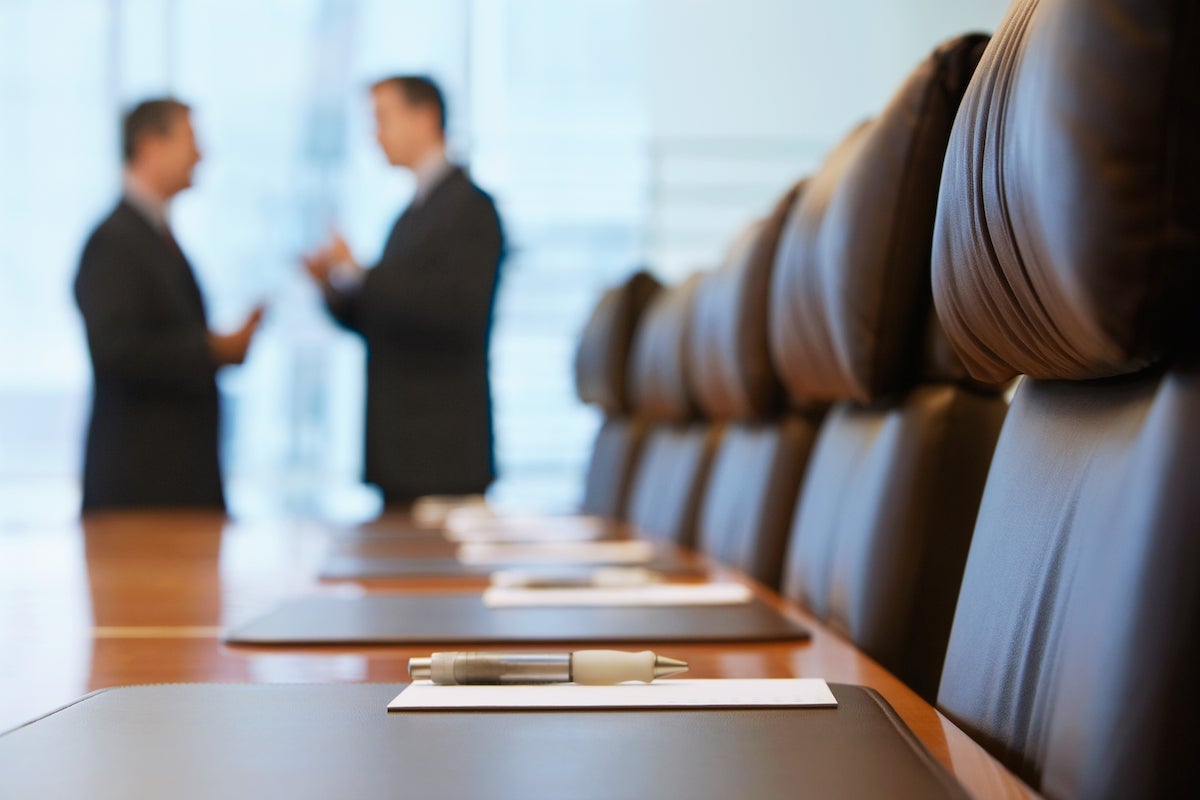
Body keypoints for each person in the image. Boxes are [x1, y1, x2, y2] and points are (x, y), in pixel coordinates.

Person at [305, 75, 504, 505]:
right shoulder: (409, 216)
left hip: (443, 455)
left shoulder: (470, 208)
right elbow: (385, 318)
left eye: (382, 118)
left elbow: (455, 313)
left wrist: (361, 273)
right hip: (400, 454)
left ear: (425, 117)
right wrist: (334, 288)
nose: (375, 135)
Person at [74, 98, 263, 512]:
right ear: (149, 146)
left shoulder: (154, 236)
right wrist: (212, 349)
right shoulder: (114, 241)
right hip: (141, 491)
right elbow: (116, 351)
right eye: (189, 140)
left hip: (173, 483)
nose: (200, 155)